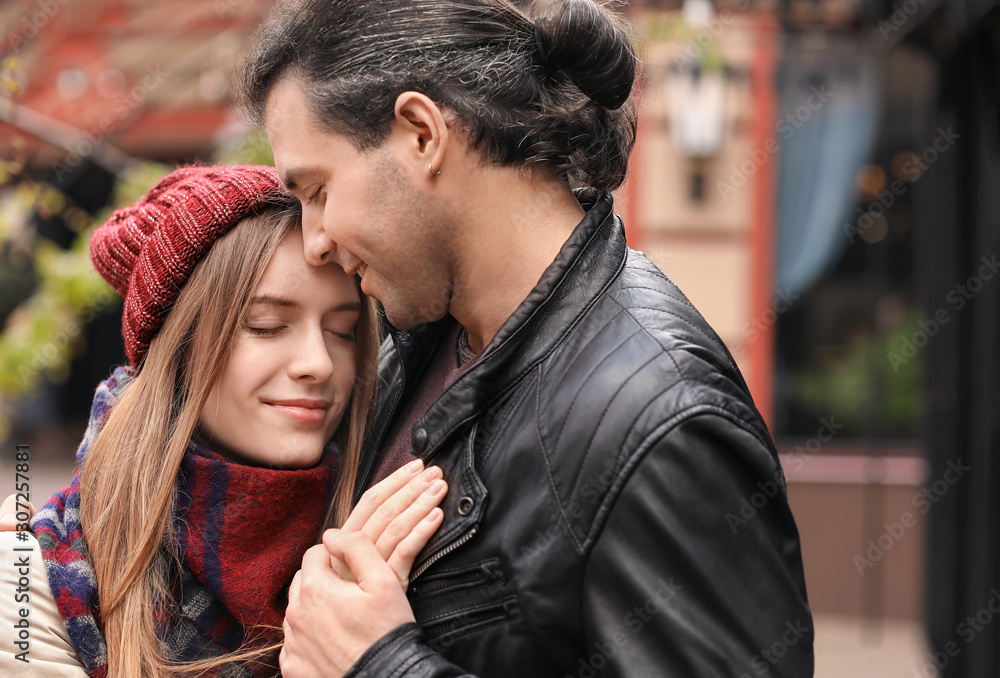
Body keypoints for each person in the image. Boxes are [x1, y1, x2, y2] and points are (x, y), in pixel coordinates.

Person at [237, 0, 814, 677]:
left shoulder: (660, 421)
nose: (316, 241)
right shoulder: (414, 344)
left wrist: (383, 667)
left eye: (318, 189)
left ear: (422, 134)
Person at [0, 165, 449, 677]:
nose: (318, 364)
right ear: (178, 349)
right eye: (267, 326)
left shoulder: (397, 518)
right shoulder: (36, 580)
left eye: (343, 331)